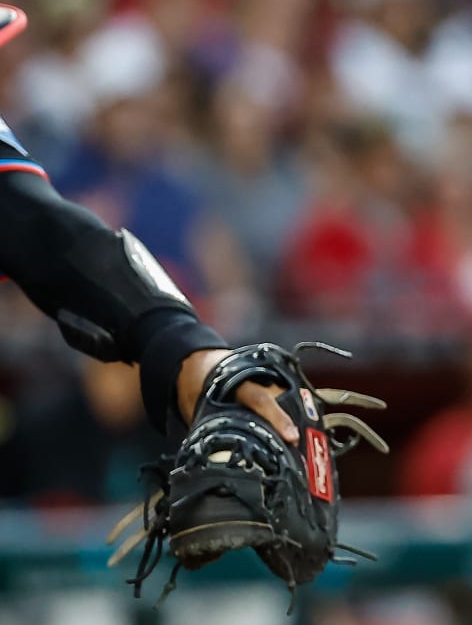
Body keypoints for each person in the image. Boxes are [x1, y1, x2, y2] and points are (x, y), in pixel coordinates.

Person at [0, 52, 293, 443]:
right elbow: (49, 244)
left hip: (148, 355)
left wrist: (189, 343)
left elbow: (225, 271)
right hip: (71, 370)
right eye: (122, 108)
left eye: (139, 108)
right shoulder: (70, 173)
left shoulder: (172, 183)